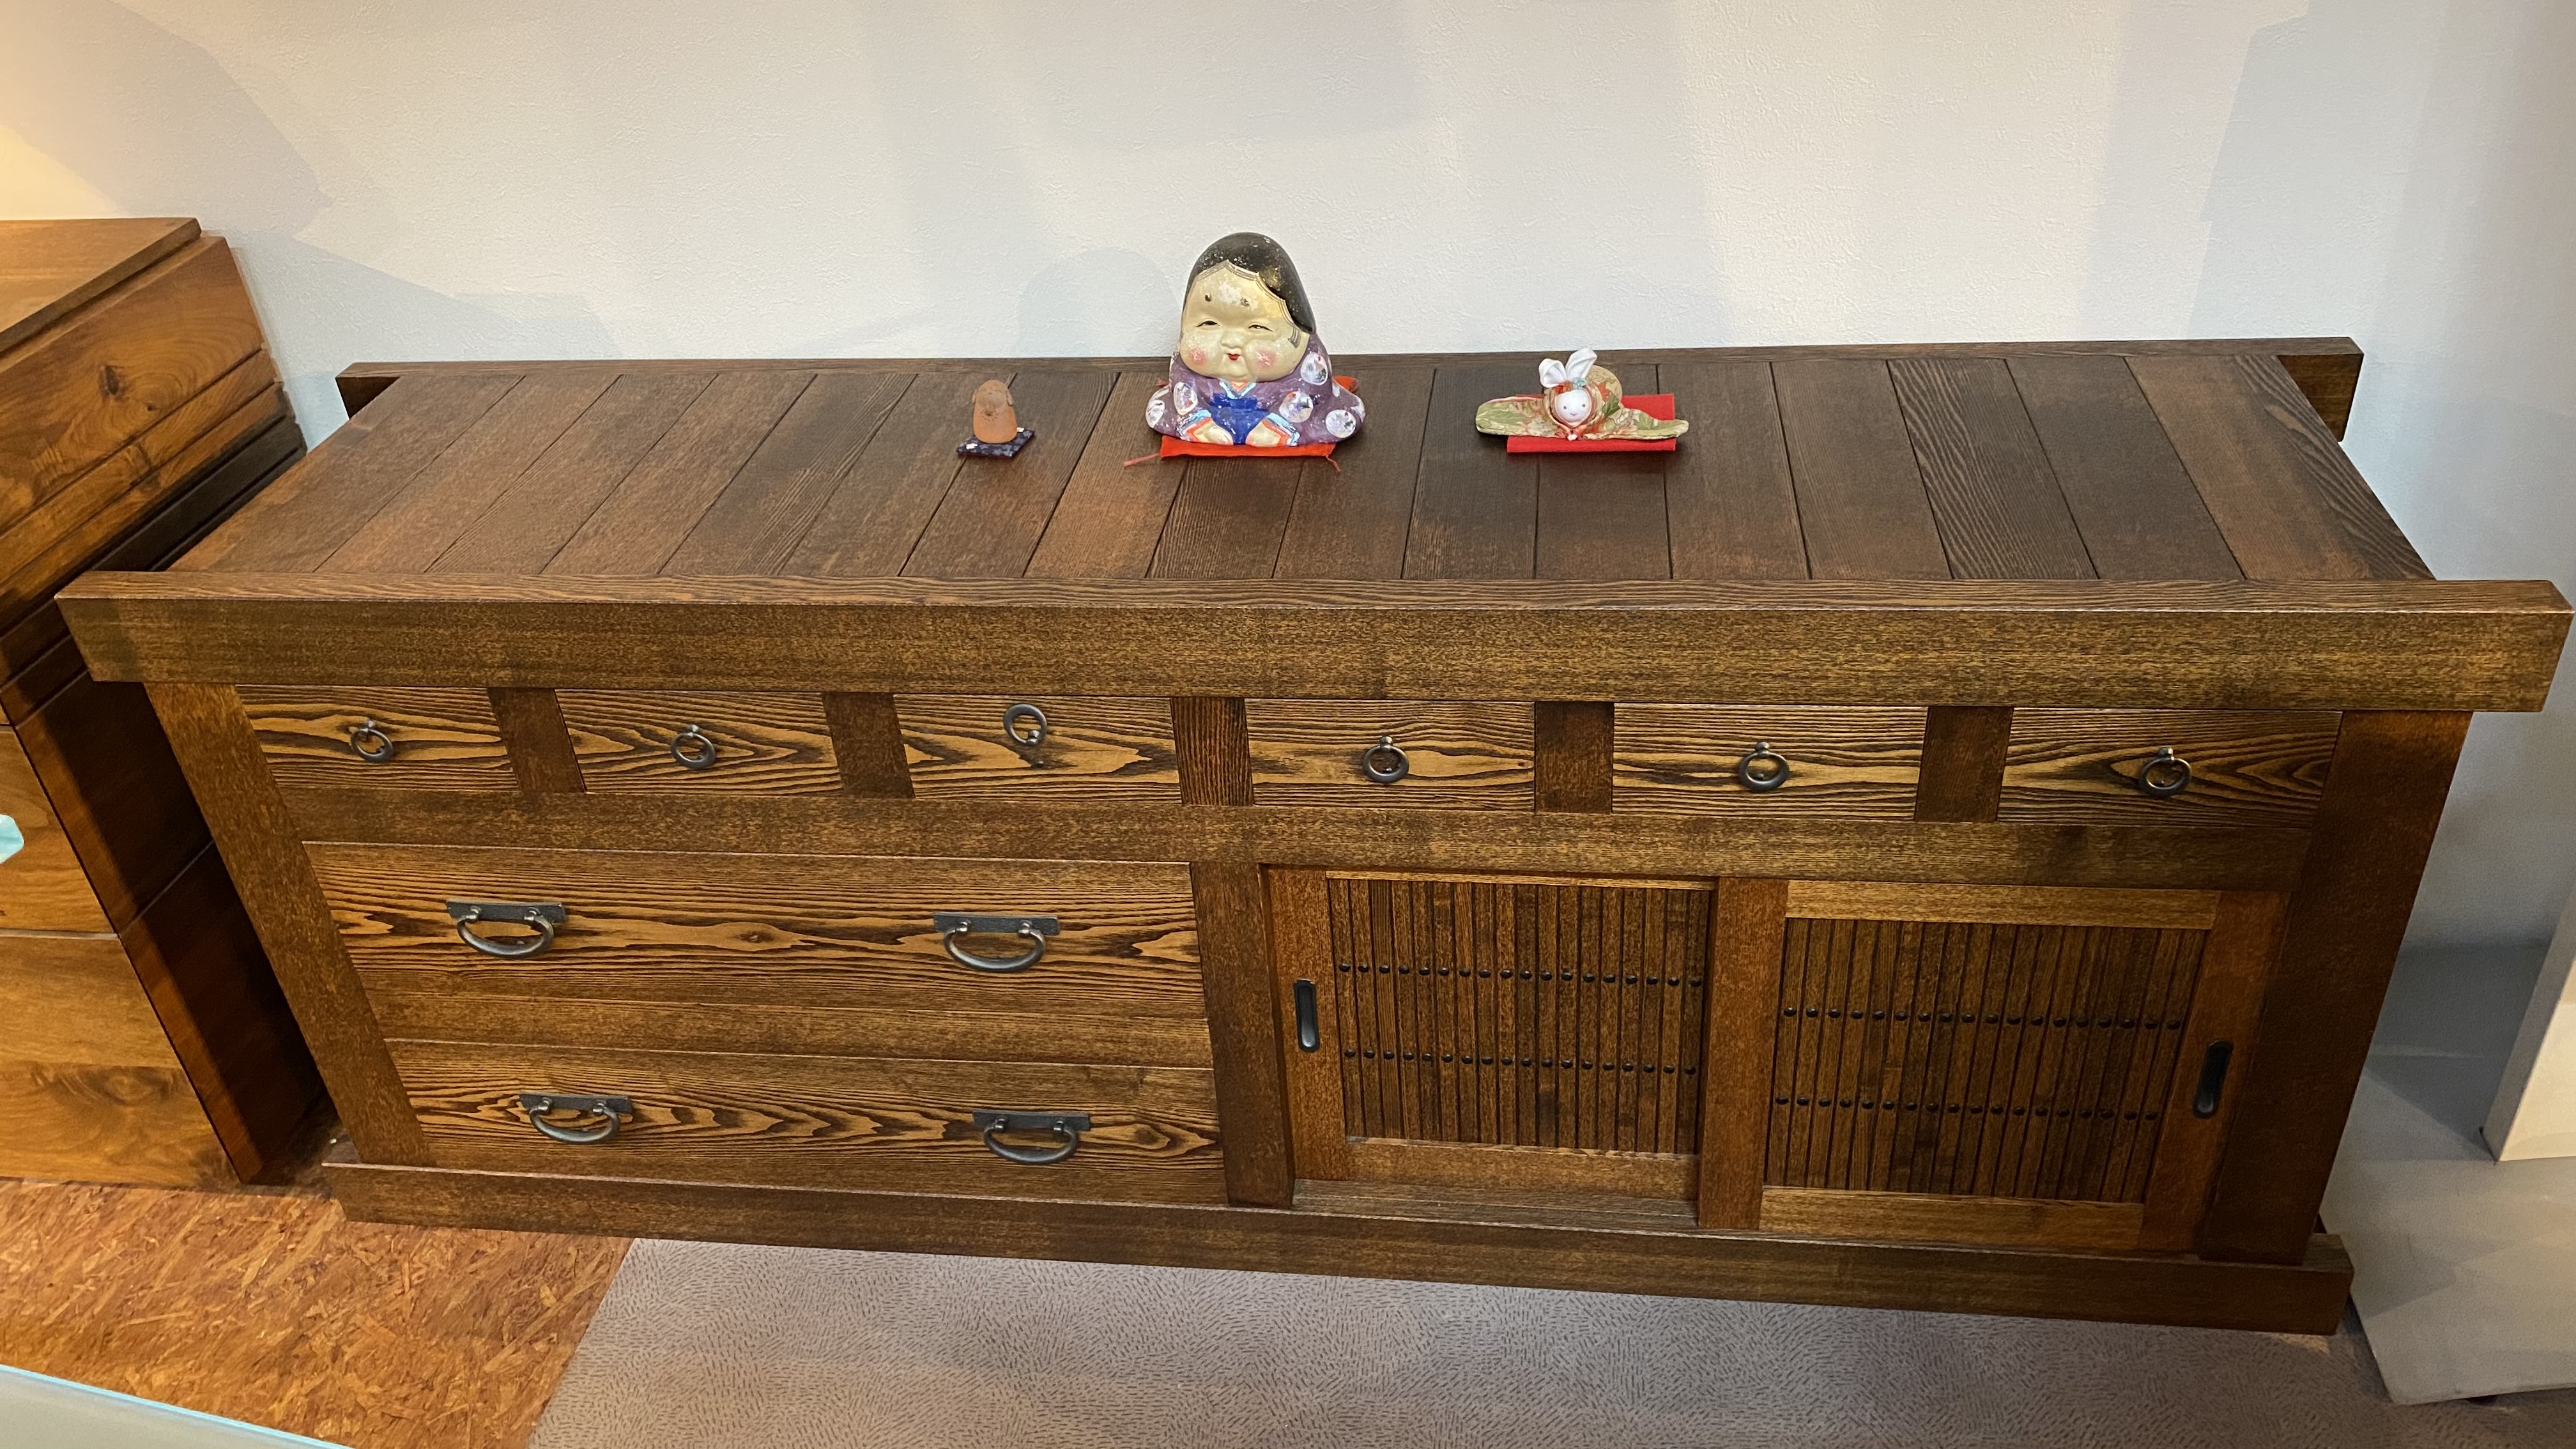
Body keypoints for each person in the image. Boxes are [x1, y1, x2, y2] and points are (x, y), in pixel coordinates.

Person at [1146, 233, 1363, 447]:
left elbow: (1308, 396)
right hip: (1205, 417)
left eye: (1257, 327)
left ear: (1299, 331)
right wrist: (1197, 421)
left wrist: (1280, 426)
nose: (1231, 341)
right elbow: (1183, 396)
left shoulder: (1309, 362)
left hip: (1289, 417)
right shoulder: (1186, 372)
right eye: (1209, 324)